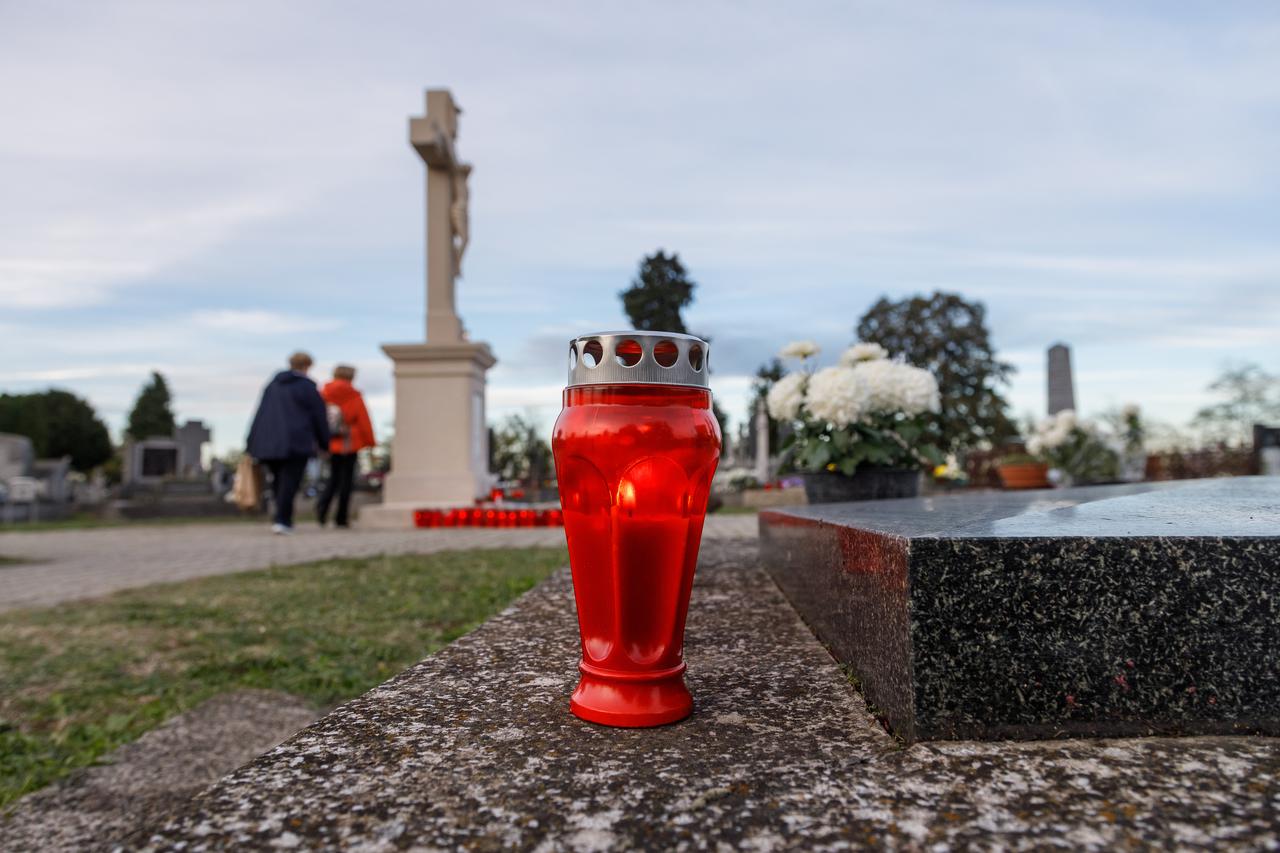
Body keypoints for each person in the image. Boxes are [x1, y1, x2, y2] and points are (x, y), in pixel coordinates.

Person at [246, 351, 329, 534]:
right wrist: (324, 442)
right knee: (290, 482)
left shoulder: (272, 386)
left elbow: (260, 414)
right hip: (296, 441)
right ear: (307, 366)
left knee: (277, 481)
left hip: (269, 442)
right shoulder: (307, 387)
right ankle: (283, 520)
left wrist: (251, 442)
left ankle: (279, 517)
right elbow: (319, 416)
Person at [317, 364, 376, 528]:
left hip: (330, 442)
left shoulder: (324, 394)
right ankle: (341, 517)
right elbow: (363, 421)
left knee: (332, 478)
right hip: (350, 443)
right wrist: (370, 442)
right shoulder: (354, 396)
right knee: (347, 481)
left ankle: (322, 510)